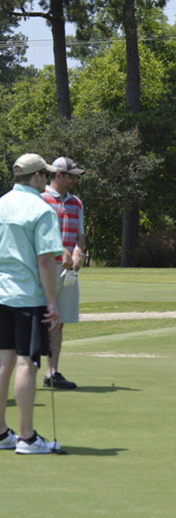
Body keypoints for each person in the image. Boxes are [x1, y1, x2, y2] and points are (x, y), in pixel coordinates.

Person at [0, 153, 64, 454]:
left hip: (1, 295)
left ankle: (1, 434)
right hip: (28, 298)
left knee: (3, 362)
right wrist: (53, 303)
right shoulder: (41, 209)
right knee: (27, 363)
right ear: (37, 177)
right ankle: (26, 438)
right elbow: (46, 261)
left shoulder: (1, 204)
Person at [41, 156, 86, 389]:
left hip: (68, 271)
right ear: (59, 175)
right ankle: (25, 368)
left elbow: (80, 235)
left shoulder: (76, 203)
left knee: (59, 322)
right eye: (71, 176)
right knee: (36, 318)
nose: (74, 181)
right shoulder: (40, 200)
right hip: (44, 269)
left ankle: (52, 372)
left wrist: (79, 253)